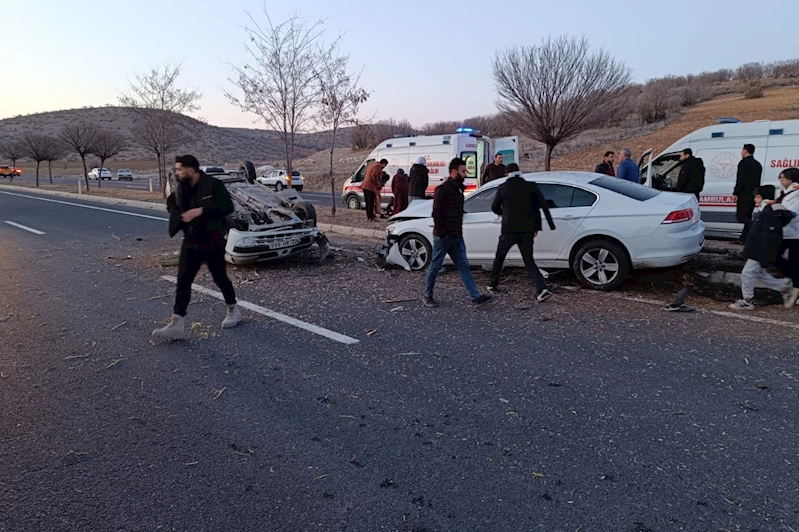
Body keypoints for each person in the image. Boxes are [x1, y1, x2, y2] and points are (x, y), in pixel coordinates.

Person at [153, 155, 240, 341]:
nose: (177, 173)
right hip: (191, 240)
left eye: (179, 169)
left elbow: (227, 206)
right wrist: (176, 214)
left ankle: (233, 308)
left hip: (213, 240)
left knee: (219, 277)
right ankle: (177, 322)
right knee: (183, 280)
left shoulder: (213, 184)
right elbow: (171, 201)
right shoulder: (182, 187)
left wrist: (200, 210)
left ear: (190, 169)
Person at [424, 158, 493, 308]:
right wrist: (442, 233)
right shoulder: (442, 189)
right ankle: (428, 295)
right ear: (454, 172)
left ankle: (476, 297)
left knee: (464, 266)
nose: (465, 174)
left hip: (456, 236)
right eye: (463, 171)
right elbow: (437, 213)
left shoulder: (458, 189)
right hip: (444, 237)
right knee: (435, 265)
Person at [487, 163, 556, 302]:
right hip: (527, 231)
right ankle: (541, 289)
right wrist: (539, 226)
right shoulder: (531, 186)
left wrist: (503, 213)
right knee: (529, 260)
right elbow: (541, 206)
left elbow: (494, 207)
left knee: (500, 257)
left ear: (507, 173)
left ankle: (492, 284)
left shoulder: (503, 188)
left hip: (508, 230)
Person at [728, 185, 795, 311]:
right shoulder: (768, 211)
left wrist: (763, 254)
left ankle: (747, 300)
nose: (755, 200)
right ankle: (785, 288)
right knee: (759, 273)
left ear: (762, 197)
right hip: (759, 249)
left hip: (759, 250)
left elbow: (766, 236)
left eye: (757, 197)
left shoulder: (768, 212)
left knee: (747, 273)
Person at [775, 168, 799, 308]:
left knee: (795, 260)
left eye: (784, 177)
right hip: (783, 232)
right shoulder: (782, 191)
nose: (781, 180)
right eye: (780, 177)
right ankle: (793, 280)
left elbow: (792, 213)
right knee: (774, 257)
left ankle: (795, 286)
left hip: (795, 233)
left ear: (792, 179)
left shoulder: (796, 193)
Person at [733, 144, 763, 243]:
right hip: (753, 193)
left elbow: (740, 179)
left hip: (744, 193)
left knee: (741, 217)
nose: (741, 152)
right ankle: (744, 238)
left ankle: (756, 229)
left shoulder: (743, 163)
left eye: (742, 150)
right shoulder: (757, 164)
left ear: (745, 151)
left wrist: (736, 192)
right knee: (748, 215)